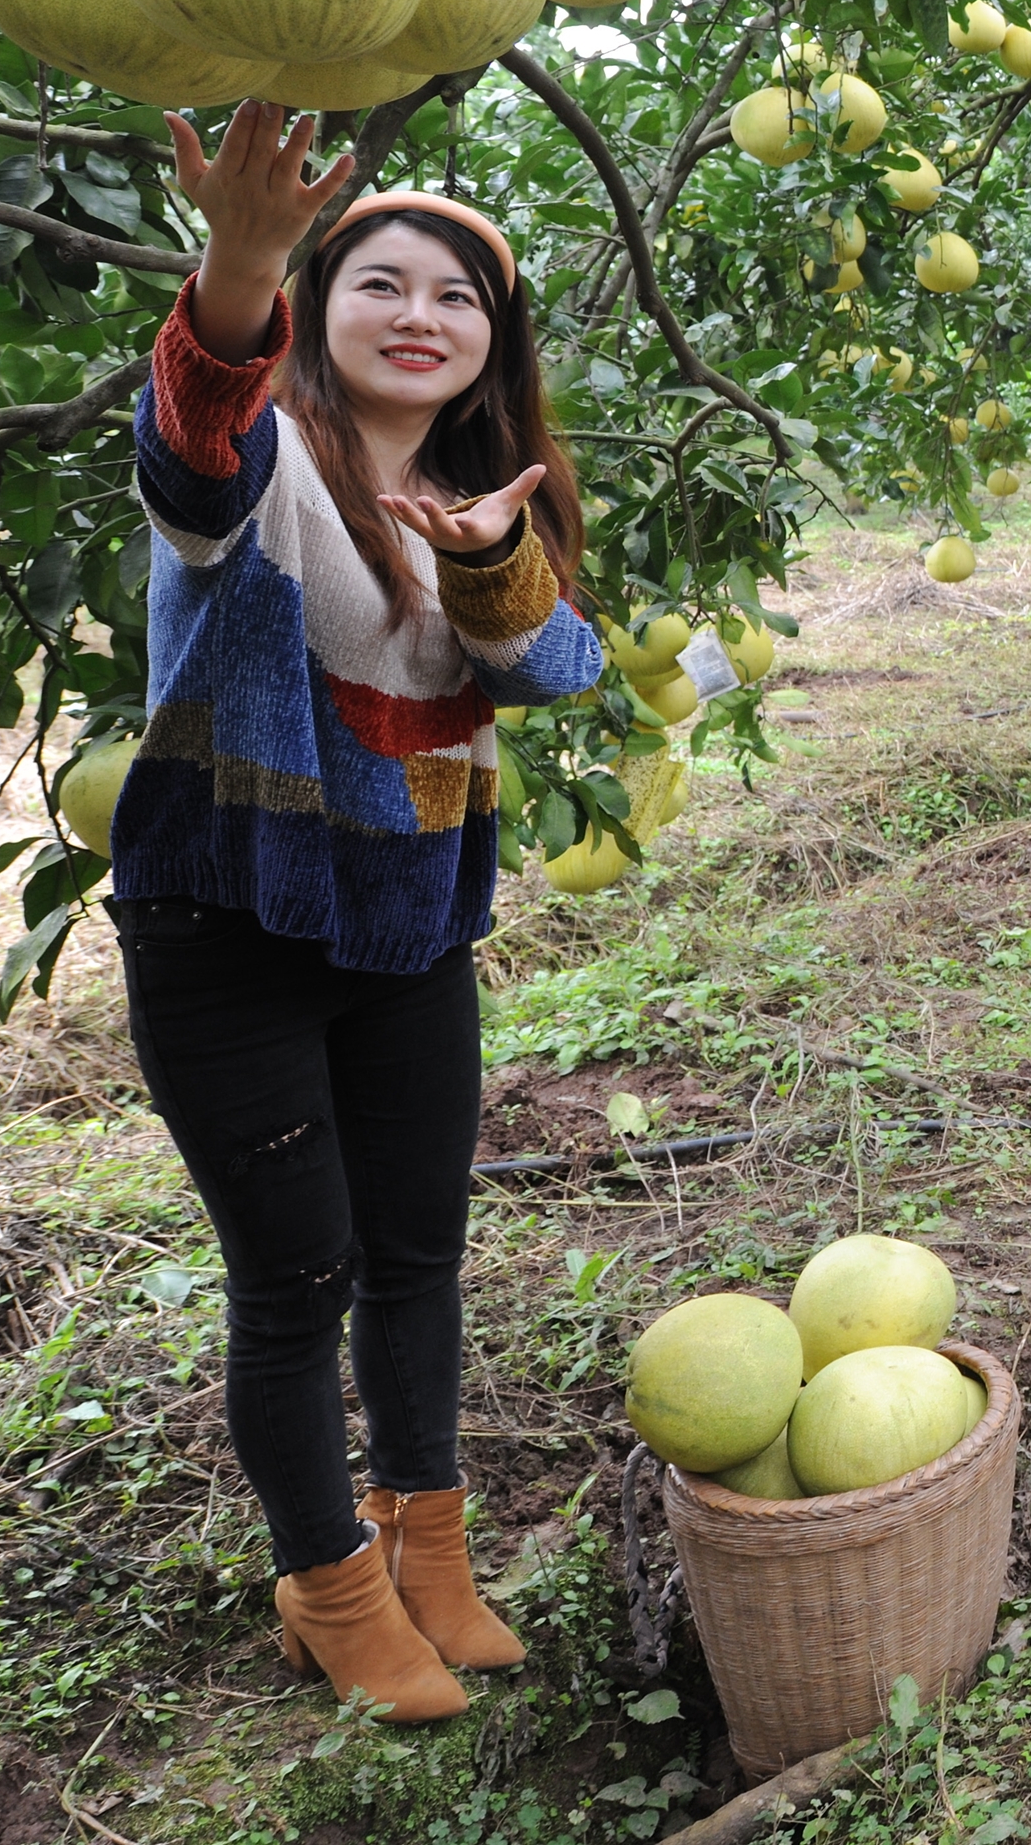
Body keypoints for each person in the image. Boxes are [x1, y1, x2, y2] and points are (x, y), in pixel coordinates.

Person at [109, 101, 607, 1720]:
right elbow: (190, 450)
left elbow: (558, 669)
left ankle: (427, 1544)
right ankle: (327, 1586)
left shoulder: (490, 492)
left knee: (416, 1253)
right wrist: (239, 267)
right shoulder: (266, 466)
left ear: (492, 342)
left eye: (458, 296)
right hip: (230, 926)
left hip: (406, 926)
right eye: (381, 281)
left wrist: (490, 555)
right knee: (296, 1275)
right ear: (321, 307)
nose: (419, 314)